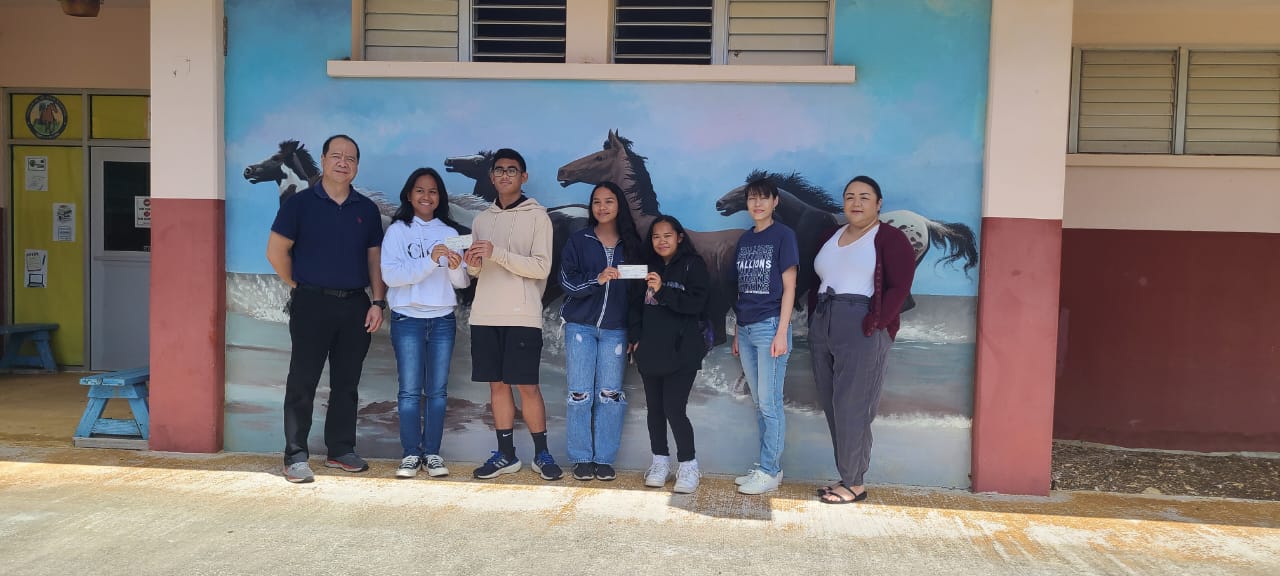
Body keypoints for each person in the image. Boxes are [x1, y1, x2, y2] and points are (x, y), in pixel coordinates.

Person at [266, 134, 386, 484]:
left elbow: (374, 260)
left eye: (350, 158)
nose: (343, 162)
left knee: (346, 383)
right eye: (336, 156)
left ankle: (340, 449)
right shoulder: (300, 204)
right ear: (323, 159)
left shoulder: (365, 210)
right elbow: (276, 252)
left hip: (355, 306)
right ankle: (295, 455)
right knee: (302, 380)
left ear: (357, 166)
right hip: (311, 304)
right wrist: (299, 286)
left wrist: (378, 301)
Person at [809, 175, 915, 504]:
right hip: (824, 320)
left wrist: (877, 323)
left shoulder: (890, 238)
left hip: (862, 322)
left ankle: (854, 482)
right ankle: (848, 475)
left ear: (878, 203)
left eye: (865, 197)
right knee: (831, 403)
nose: (856, 203)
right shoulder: (832, 235)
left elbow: (900, 287)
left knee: (852, 405)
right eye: (850, 196)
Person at [463, 148, 562, 481]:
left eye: (512, 170)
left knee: (528, 387)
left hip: (522, 316)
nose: (505, 176)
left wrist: (498, 253)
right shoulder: (481, 220)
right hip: (484, 316)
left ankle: (542, 454)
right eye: (499, 170)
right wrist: (472, 265)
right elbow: (477, 273)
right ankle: (505, 455)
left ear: (524, 177)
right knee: (497, 386)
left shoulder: (539, 217)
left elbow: (541, 267)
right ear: (491, 177)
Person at [381, 167, 470, 479]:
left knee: (437, 391)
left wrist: (458, 267)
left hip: (443, 319)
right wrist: (431, 260)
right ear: (409, 194)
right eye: (420, 190)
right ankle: (410, 454)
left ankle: (432, 453)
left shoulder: (450, 231)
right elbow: (391, 276)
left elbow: (460, 283)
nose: (426, 196)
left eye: (433, 191)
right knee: (408, 391)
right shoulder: (397, 231)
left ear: (439, 197)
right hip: (407, 319)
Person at [558, 181, 642, 482]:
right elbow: (567, 282)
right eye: (596, 202)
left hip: (616, 331)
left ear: (619, 205)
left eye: (609, 201)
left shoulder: (631, 245)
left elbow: (637, 294)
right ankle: (581, 457)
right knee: (579, 394)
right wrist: (598, 280)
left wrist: (635, 333)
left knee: (610, 395)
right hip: (580, 327)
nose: (602, 207)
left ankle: (604, 458)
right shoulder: (579, 240)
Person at [629, 215, 709, 494]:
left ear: (679, 237)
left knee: (674, 409)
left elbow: (696, 305)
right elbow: (635, 306)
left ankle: (688, 466)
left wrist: (663, 291)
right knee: (655, 411)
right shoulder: (646, 268)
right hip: (650, 351)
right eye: (655, 236)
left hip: (682, 352)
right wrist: (635, 338)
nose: (661, 241)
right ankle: (660, 462)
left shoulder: (693, 265)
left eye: (667, 236)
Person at [730, 176, 799, 495]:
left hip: (770, 327)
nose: (757, 204)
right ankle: (766, 466)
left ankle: (771, 470)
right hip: (745, 328)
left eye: (763, 198)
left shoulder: (784, 236)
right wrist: (735, 331)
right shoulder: (745, 239)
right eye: (752, 199)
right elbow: (741, 289)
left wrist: (782, 332)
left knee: (770, 404)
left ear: (775, 202)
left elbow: (789, 288)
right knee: (759, 403)